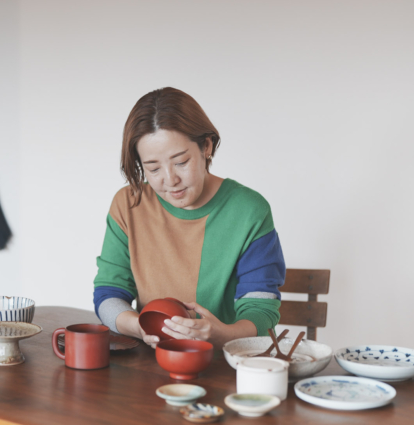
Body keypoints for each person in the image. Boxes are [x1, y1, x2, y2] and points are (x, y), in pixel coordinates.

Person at [93, 87, 285, 348]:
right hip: (149, 362)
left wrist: (222, 334)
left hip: (223, 364)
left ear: (206, 146)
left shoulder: (249, 210)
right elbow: (108, 294)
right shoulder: (128, 204)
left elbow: (261, 309)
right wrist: (140, 328)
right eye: (153, 168)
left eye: (181, 162)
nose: (170, 180)